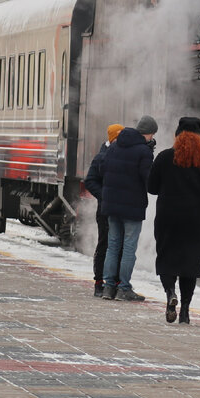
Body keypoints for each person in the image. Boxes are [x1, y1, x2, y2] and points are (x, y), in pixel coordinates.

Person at [147, 116, 200, 325]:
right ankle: (186, 310)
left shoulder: (164, 157)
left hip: (168, 217)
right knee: (190, 263)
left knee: (167, 258)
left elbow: (151, 187)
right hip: (196, 220)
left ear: (177, 136)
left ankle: (170, 292)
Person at [98, 117, 157, 301]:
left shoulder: (115, 146)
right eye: (152, 134)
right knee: (129, 248)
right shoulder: (143, 152)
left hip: (111, 205)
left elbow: (102, 169)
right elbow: (148, 180)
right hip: (132, 207)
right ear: (148, 133)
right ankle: (124, 288)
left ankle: (108, 287)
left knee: (112, 246)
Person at [83, 123, 124, 297]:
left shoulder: (121, 155)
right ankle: (99, 282)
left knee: (118, 246)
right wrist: (105, 196)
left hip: (119, 208)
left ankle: (115, 282)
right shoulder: (101, 157)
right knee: (105, 244)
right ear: (113, 138)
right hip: (105, 208)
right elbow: (90, 181)